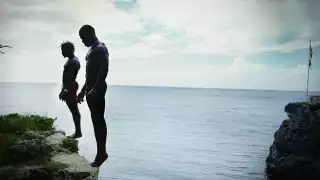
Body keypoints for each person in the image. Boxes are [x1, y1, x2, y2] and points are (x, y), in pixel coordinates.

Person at [77, 25, 109, 167]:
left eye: (83, 38)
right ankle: (100, 153)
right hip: (90, 89)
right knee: (95, 121)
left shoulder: (101, 48)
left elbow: (104, 70)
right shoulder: (90, 50)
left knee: (98, 121)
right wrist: (83, 90)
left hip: (97, 89)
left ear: (91, 33)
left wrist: (95, 89)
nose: (82, 41)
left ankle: (101, 153)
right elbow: (89, 75)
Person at [59, 41, 82, 139]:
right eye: (61, 50)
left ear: (70, 50)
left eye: (63, 50)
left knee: (74, 110)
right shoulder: (71, 60)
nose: (62, 52)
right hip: (70, 87)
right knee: (73, 110)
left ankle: (78, 132)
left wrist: (65, 90)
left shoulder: (73, 61)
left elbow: (70, 78)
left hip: (70, 87)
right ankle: (78, 131)